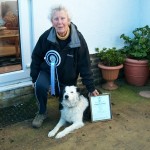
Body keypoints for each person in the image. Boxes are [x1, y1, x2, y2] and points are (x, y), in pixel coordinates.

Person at [30, 5, 100, 128]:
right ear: (52, 22)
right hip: (47, 72)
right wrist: (34, 78)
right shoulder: (45, 37)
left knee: (64, 106)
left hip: (68, 76)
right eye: (56, 19)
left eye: (63, 18)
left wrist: (90, 87)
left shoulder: (78, 39)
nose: (60, 22)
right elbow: (36, 58)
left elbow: (85, 65)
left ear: (68, 20)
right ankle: (42, 112)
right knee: (40, 85)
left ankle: (62, 104)